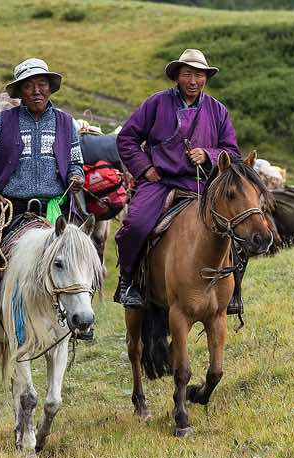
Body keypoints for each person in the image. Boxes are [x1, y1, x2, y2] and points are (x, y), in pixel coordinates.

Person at [0, 58, 85, 334]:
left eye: (42, 84)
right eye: (29, 86)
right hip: (9, 209)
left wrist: (77, 176)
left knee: (79, 254)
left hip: (52, 210)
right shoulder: (4, 122)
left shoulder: (65, 123)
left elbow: (75, 162)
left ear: (50, 88)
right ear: (20, 92)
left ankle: (81, 316)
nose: (37, 91)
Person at [115, 48, 242, 308]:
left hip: (204, 186)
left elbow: (232, 153)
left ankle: (233, 291)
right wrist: (145, 168)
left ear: (206, 78)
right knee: (136, 225)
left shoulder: (218, 111)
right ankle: (128, 282)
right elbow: (126, 138)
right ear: (177, 77)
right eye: (187, 74)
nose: (193, 81)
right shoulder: (156, 103)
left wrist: (208, 154)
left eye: (199, 75)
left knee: (239, 228)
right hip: (160, 183)